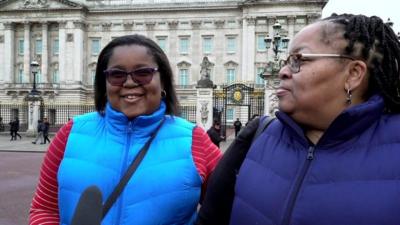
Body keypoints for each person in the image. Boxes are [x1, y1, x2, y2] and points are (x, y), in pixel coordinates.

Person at [197, 13, 400, 225]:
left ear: (353, 74)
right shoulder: (257, 136)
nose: (283, 71)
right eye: (286, 61)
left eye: (298, 60)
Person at [29, 34, 222, 225]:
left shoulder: (194, 139)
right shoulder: (70, 133)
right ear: (104, 83)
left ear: (162, 80)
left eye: (143, 73)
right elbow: (45, 209)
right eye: (117, 74)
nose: (129, 83)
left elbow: (231, 209)